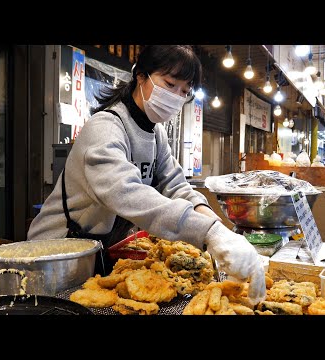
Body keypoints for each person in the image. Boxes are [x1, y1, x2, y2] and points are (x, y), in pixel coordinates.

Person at [27, 45, 266, 304]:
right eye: (170, 84)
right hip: (55, 255)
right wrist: (209, 234)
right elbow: (126, 193)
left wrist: (221, 230)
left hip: (96, 253)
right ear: (141, 75)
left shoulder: (156, 134)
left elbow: (176, 186)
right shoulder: (105, 128)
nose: (176, 96)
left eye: (184, 91)